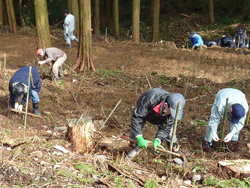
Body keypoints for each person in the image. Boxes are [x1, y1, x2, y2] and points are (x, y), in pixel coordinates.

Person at [127, 88, 186, 159]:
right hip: (147, 112)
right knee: (136, 128)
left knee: (170, 132)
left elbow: (165, 128)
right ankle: (134, 147)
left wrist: (158, 139)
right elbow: (137, 117)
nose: (173, 115)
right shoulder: (150, 99)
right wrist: (139, 136)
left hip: (162, 115)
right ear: (166, 105)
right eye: (172, 112)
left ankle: (174, 152)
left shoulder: (173, 108)